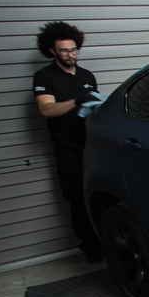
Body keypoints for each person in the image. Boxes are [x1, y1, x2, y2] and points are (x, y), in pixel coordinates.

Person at [32, 21, 102, 262]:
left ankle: (107, 243)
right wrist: (76, 101)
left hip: (91, 144)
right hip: (67, 149)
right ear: (52, 50)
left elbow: (93, 108)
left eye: (73, 50)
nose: (70, 55)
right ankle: (92, 249)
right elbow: (47, 110)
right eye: (64, 51)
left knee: (99, 194)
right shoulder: (45, 77)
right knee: (78, 200)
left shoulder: (86, 75)